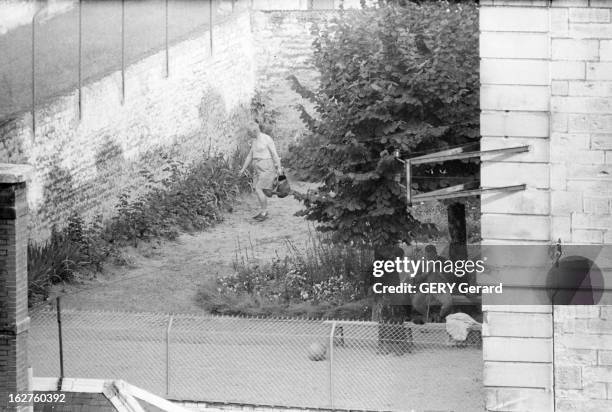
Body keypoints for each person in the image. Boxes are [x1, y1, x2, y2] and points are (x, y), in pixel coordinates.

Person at [238, 122, 282, 221]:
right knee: (257, 189)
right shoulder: (254, 140)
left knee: (259, 189)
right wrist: (242, 169)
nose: (248, 134)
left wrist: (279, 168)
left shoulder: (267, 139)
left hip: (266, 166)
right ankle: (263, 209)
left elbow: (274, 154)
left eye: (249, 132)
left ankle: (264, 212)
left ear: (255, 131)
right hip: (257, 167)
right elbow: (250, 155)